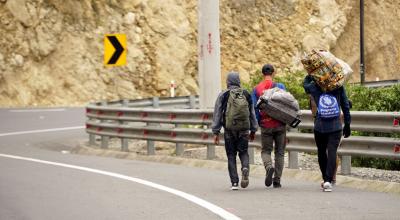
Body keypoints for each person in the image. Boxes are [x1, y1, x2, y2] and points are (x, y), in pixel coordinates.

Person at [303, 74, 351, 192]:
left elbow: (305, 85)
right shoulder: (338, 87)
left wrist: (311, 75)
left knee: (321, 152)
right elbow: (345, 105)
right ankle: (329, 180)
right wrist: (348, 124)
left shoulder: (315, 86)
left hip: (320, 126)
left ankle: (325, 178)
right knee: (332, 151)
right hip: (335, 126)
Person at [211, 72, 258, 190]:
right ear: (238, 81)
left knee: (231, 155)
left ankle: (235, 183)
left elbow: (217, 114)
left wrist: (215, 132)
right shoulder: (246, 94)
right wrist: (253, 130)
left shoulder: (223, 95)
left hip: (229, 130)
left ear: (228, 82)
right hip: (244, 129)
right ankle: (245, 168)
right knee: (243, 152)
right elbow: (252, 113)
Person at [252, 64, 287, 188]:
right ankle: (277, 180)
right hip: (280, 124)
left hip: (266, 125)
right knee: (280, 152)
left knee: (266, 151)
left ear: (263, 74)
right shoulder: (280, 86)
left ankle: (268, 167)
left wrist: (254, 127)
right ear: (273, 73)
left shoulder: (256, 89)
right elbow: (287, 103)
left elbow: (254, 110)